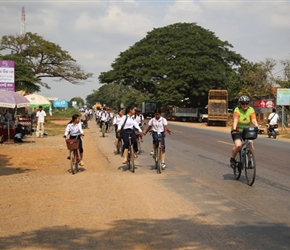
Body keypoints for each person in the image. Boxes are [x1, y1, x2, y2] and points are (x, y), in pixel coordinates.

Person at [230, 96, 259, 168]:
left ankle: (249, 160)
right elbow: (235, 120)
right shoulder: (237, 110)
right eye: (243, 104)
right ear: (240, 104)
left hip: (246, 130)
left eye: (246, 103)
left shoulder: (251, 110)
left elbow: (253, 120)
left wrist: (257, 127)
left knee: (250, 142)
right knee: (238, 145)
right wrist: (234, 129)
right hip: (237, 130)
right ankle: (232, 159)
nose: (245, 105)